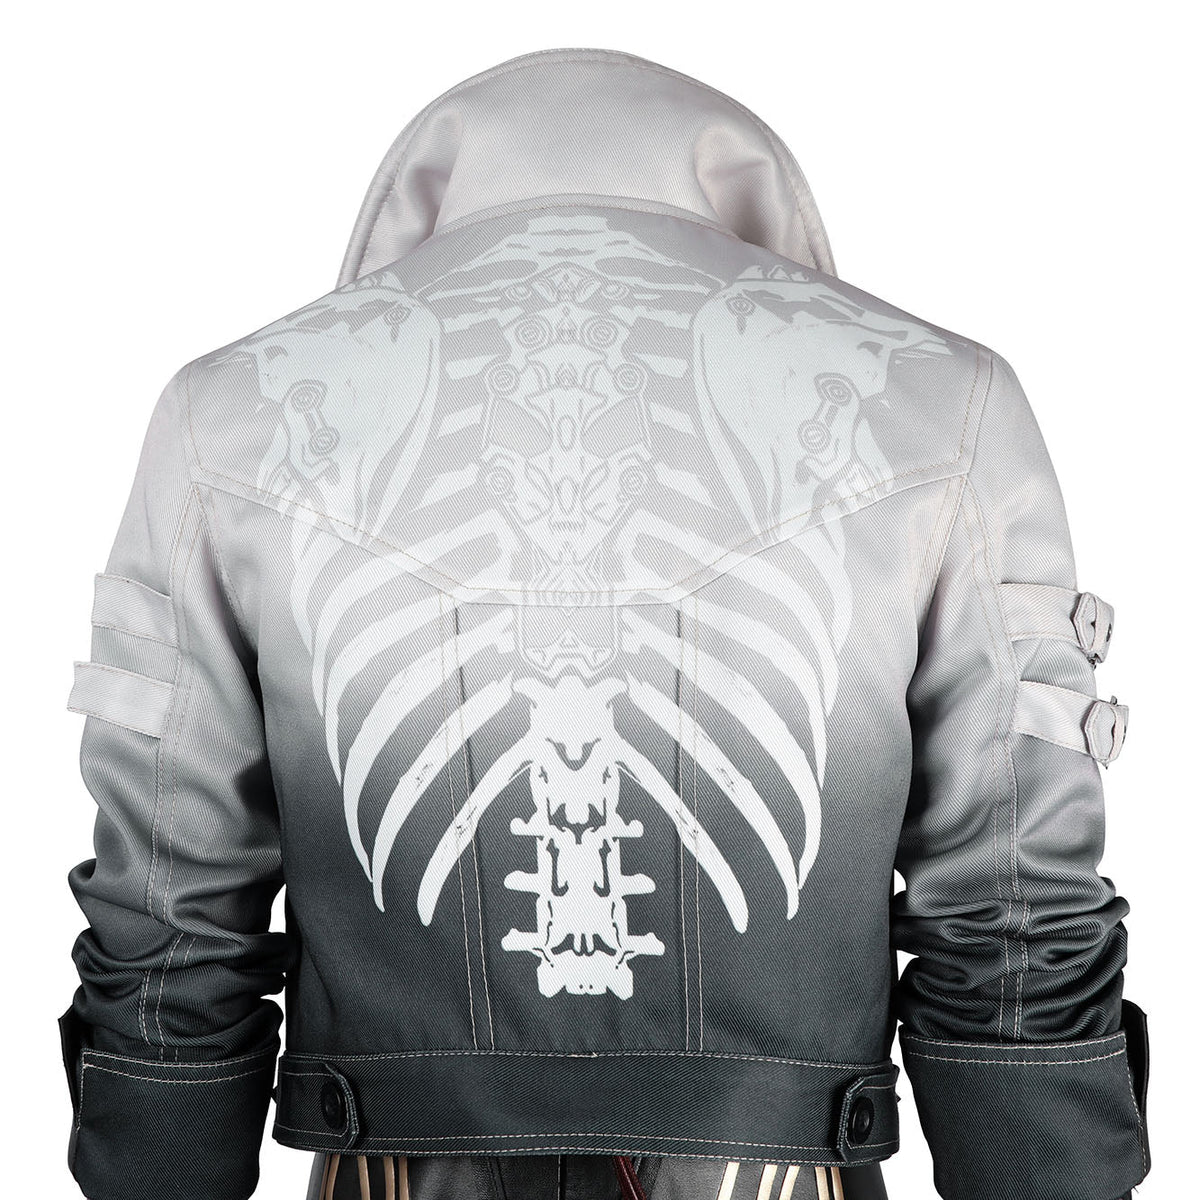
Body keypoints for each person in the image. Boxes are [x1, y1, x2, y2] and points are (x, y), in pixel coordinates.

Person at [58, 47, 1149, 1200]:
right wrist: (1047, 1164)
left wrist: (156, 1159)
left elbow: (170, 907)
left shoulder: (230, 415)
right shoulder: (944, 402)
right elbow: (1014, 899)